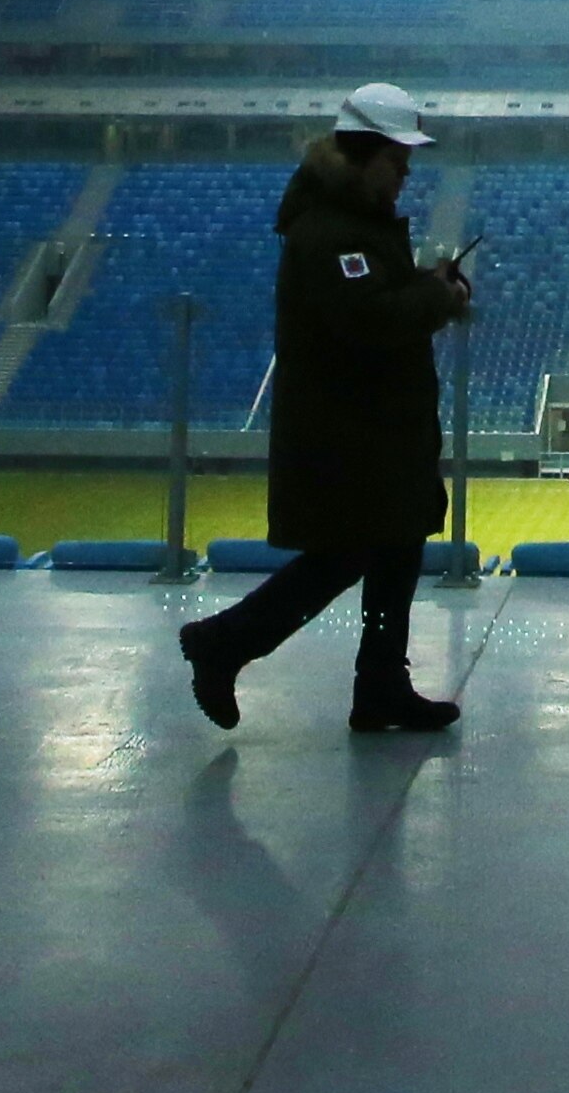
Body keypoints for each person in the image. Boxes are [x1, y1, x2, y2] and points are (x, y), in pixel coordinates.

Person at [179, 81, 472, 735]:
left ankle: (380, 685)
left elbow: (376, 303)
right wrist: (437, 297)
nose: (404, 175)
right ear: (363, 156)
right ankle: (222, 641)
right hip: (350, 434)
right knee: (345, 556)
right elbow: (367, 320)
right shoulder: (331, 234)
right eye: (396, 160)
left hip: (377, 430)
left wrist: (428, 286)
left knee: (395, 550)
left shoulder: (352, 226)